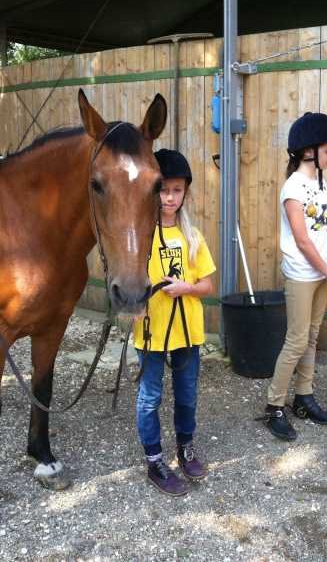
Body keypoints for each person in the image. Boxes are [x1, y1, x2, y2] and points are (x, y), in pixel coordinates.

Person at [262, 112, 327, 441]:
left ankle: (304, 397)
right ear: (307, 151)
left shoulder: (321, 184)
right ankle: (274, 405)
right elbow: (302, 240)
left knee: (312, 336)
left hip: (323, 273)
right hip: (302, 274)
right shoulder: (293, 188)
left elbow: (326, 231)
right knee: (297, 340)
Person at [132, 149, 216, 497]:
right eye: (163, 190)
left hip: (186, 329)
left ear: (185, 193)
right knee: (150, 397)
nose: (169, 197)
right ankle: (154, 460)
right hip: (152, 329)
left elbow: (208, 285)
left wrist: (186, 288)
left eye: (176, 190)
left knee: (187, 394)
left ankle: (185, 448)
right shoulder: (139, 236)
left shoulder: (192, 236)